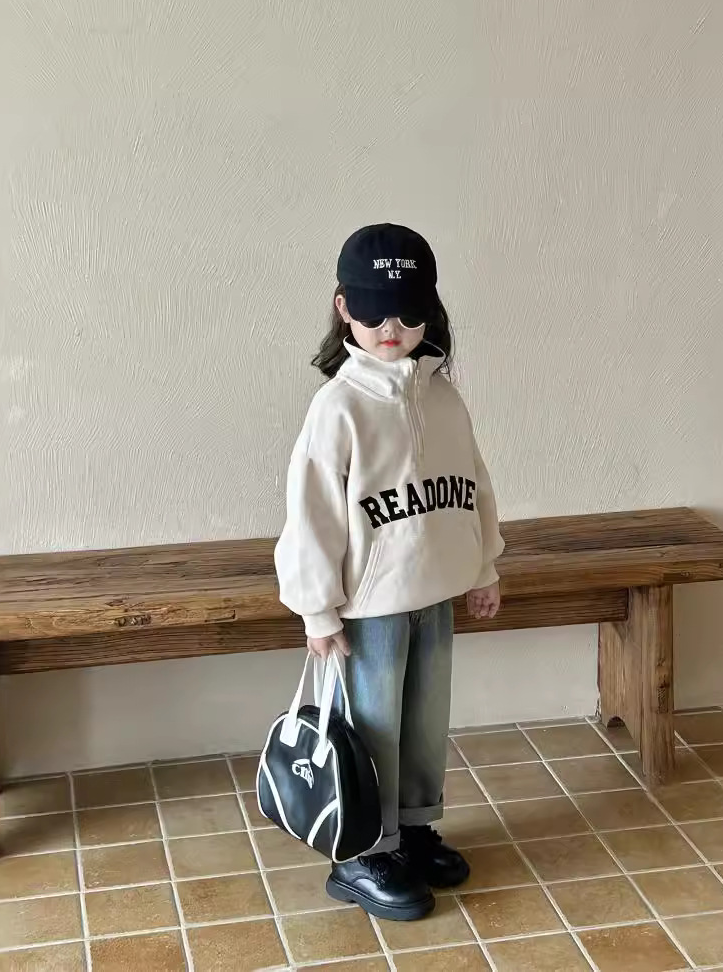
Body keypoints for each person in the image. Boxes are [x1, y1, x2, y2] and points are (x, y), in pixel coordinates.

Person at [274, 223, 504, 922]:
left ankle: (414, 829)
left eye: (406, 312)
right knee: (373, 727)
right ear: (344, 306)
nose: (390, 328)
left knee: (425, 721)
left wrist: (483, 564)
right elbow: (311, 515)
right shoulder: (338, 407)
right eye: (374, 312)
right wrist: (316, 608)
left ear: (429, 309)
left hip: (434, 592)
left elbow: (473, 484)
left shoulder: (444, 397)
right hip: (367, 607)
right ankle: (364, 852)